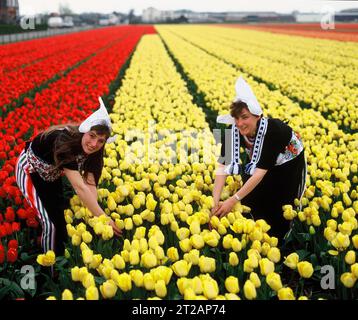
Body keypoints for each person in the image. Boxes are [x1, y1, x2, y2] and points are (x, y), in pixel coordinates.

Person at [15, 97, 121, 256]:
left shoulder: (95, 153)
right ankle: (50, 268)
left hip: (52, 174)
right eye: (92, 136)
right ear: (85, 131)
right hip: (30, 171)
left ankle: (58, 253)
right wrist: (104, 218)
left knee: (60, 218)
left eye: (100, 141)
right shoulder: (65, 142)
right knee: (50, 225)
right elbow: (79, 187)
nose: (94, 144)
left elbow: (90, 185)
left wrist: (95, 216)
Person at [211, 77, 306, 242]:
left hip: (288, 164)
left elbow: (259, 174)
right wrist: (215, 202)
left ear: (257, 116)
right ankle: (255, 236)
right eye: (236, 118)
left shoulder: (272, 131)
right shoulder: (231, 131)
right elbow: (222, 165)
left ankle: (278, 241)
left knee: (280, 204)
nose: (240, 123)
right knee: (252, 199)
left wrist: (232, 201)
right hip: (262, 162)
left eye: (245, 117)